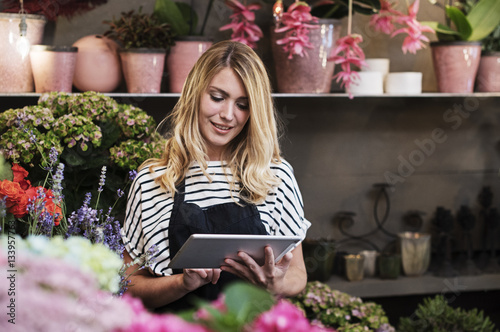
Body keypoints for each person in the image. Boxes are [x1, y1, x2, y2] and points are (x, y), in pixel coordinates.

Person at [120, 40, 311, 311]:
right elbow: (128, 283)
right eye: (218, 97)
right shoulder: (153, 180)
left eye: (243, 105)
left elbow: (298, 275)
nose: (227, 115)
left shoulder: (275, 175)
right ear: (195, 94)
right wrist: (182, 283)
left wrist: (275, 284)